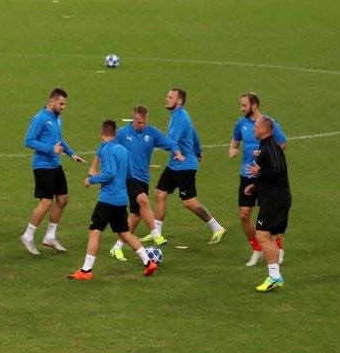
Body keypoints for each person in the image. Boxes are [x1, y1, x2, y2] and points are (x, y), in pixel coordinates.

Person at [69, 120, 159, 280]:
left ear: (102, 133)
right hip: (121, 200)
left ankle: (86, 271)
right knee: (125, 233)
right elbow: (131, 174)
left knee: (94, 232)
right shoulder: (124, 150)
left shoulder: (107, 149)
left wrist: (91, 180)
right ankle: (148, 262)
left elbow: (110, 172)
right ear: (115, 133)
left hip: (107, 200)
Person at [98, 106, 184, 261]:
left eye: (144, 122)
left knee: (136, 215)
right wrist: (94, 166)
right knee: (143, 199)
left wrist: (177, 152)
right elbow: (105, 146)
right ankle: (155, 233)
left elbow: (170, 143)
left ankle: (117, 248)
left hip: (144, 178)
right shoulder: (123, 133)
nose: (141, 125)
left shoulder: (152, 133)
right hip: (128, 177)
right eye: (138, 122)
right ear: (133, 119)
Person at [153, 88, 226, 244]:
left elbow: (170, 141)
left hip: (184, 165)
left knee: (189, 202)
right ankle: (156, 233)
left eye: (170, 97)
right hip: (175, 164)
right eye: (167, 96)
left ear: (179, 101)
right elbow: (194, 134)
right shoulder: (179, 115)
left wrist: (150, 142)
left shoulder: (180, 117)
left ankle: (217, 227)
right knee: (160, 193)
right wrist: (198, 151)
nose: (166, 99)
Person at [19, 88, 87, 255]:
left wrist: (71, 154)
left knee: (63, 199)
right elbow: (28, 141)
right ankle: (27, 236)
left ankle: (50, 236)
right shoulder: (40, 118)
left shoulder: (57, 118)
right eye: (61, 103)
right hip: (42, 165)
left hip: (55, 164)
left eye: (64, 104)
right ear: (52, 102)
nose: (63, 107)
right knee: (46, 202)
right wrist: (50, 148)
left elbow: (59, 139)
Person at [229, 92, 288, 266]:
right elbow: (235, 140)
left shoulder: (269, 123)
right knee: (244, 215)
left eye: (244, 105)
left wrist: (265, 154)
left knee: (267, 216)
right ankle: (256, 249)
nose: (242, 108)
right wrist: (232, 149)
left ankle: (277, 247)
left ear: (254, 106)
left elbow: (283, 143)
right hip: (247, 175)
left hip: (265, 179)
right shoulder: (241, 123)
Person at [244, 117, 291, 292]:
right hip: (276, 196)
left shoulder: (269, 147)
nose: (253, 129)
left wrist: (259, 171)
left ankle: (275, 276)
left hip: (275, 199)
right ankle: (274, 276)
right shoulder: (266, 146)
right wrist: (255, 185)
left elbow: (278, 169)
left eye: (255, 127)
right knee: (269, 237)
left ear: (264, 130)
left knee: (262, 236)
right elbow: (274, 175)